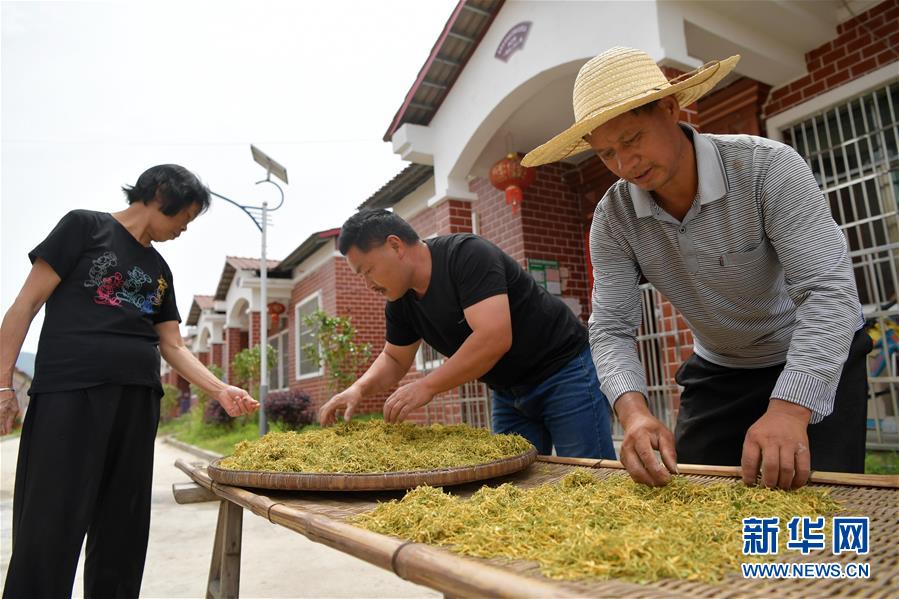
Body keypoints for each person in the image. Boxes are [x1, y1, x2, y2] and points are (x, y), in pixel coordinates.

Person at [521, 47, 870, 490]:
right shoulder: (614, 219)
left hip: (810, 350)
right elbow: (611, 328)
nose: (625, 165)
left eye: (631, 140)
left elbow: (829, 295)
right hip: (720, 366)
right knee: (692, 494)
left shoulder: (769, 169)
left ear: (670, 108)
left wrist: (788, 409)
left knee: (822, 506)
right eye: (607, 154)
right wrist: (634, 414)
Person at [0, 164, 259, 598]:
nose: (184, 229)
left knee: (124, 525)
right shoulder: (84, 227)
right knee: (50, 521)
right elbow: (25, 304)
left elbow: (173, 346)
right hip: (71, 394)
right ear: (160, 193)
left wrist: (220, 388)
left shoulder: (159, 268)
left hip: (138, 403)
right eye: (184, 217)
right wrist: (4, 386)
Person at [318, 209, 616, 459]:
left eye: (367, 270)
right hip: (508, 391)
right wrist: (358, 388)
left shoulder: (467, 255)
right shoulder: (399, 301)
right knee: (514, 481)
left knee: (587, 474)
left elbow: (493, 337)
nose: (368, 284)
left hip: (565, 372)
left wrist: (428, 386)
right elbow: (395, 359)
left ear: (395, 246)